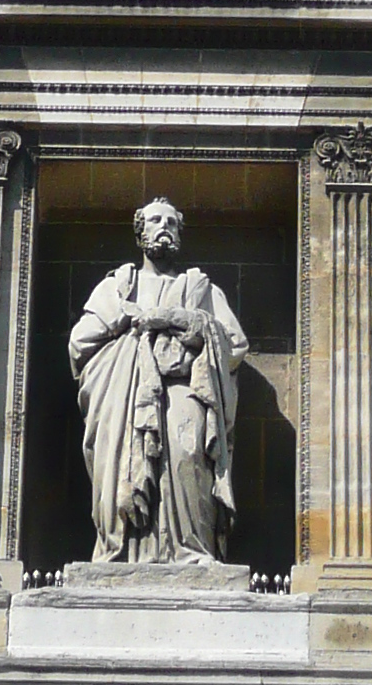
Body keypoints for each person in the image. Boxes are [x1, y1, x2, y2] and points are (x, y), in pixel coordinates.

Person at [68, 198, 247, 565]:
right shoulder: (116, 289)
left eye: (171, 222)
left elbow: (236, 346)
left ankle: (192, 550)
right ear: (140, 232)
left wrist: (184, 321)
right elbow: (79, 344)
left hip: (185, 390)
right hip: (126, 394)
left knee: (187, 457)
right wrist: (125, 322)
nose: (163, 227)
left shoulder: (202, 291)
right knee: (122, 472)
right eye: (154, 221)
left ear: (180, 233)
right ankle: (122, 553)